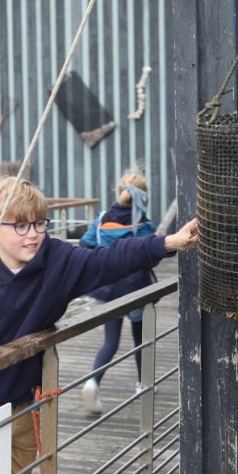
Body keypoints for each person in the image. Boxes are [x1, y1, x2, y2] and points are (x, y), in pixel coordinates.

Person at [0, 176, 197, 474]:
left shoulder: (58, 260)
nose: (33, 234)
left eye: (39, 223)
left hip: (26, 404)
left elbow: (111, 259)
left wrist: (168, 242)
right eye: (20, 226)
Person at [79, 170, 157, 414]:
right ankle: (142, 384)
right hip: (135, 290)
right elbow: (151, 256)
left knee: (110, 342)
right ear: (143, 196)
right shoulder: (143, 224)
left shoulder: (102, 219)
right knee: (139, 339)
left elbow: (84, 244)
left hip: (110, 290)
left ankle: (93, 381)